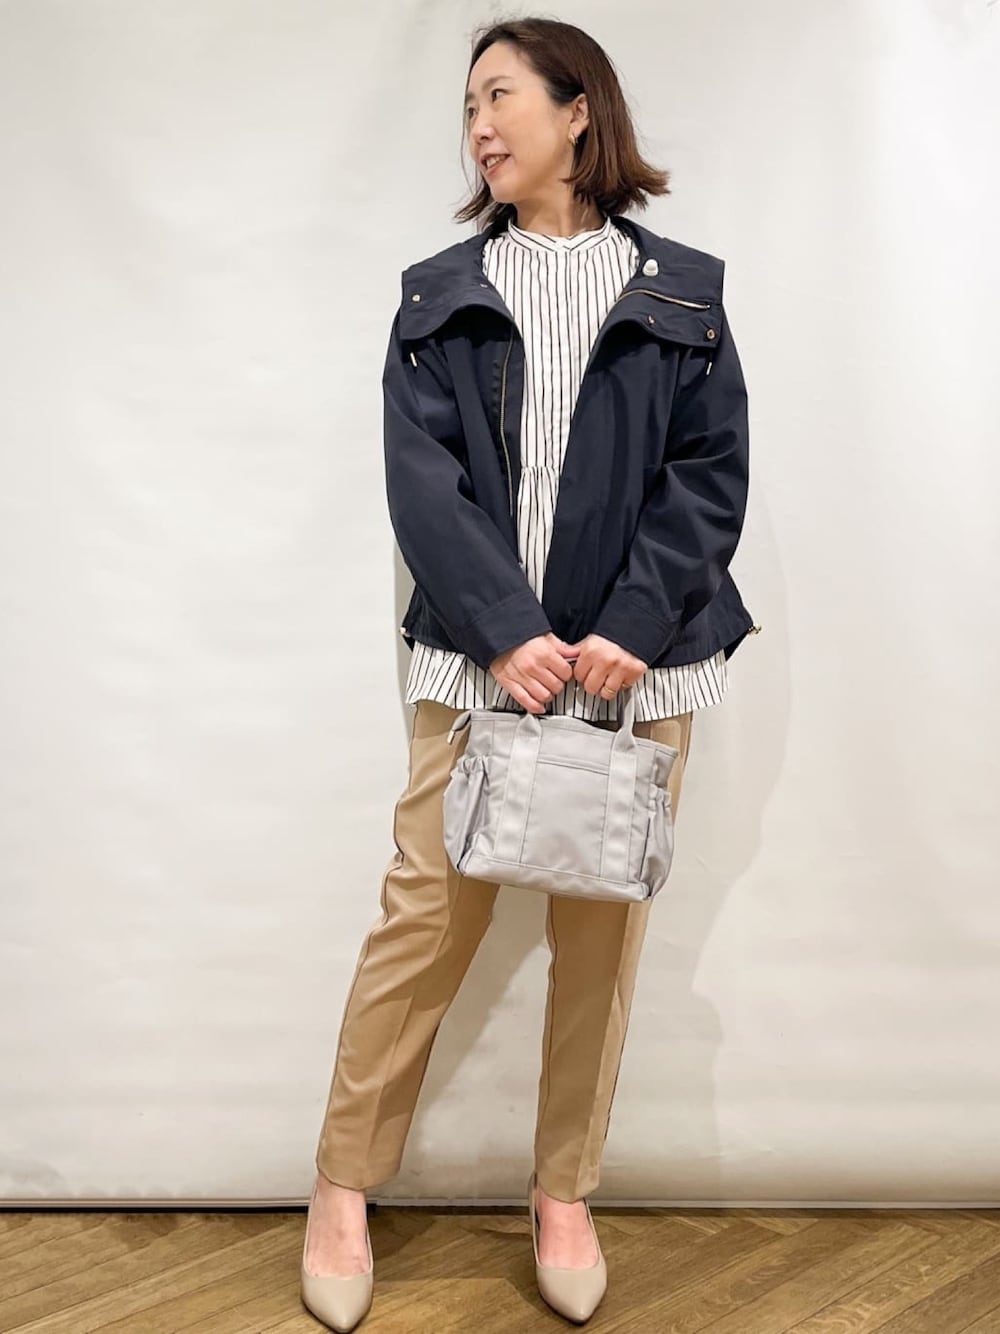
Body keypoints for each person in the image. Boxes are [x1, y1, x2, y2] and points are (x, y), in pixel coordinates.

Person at [300, 16, 758, 1331]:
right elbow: (423, 485)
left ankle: (565, 1193)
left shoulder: (685, 294)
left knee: (599, 946)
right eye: (468, 107)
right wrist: (506, 626)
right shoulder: (439, 294)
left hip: (637, 674)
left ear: (577, 110)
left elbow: (709, 476)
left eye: (500, 96)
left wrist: (629, 625)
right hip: (473, 660)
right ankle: (342, 1185)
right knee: (421, 926)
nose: (480, 126)